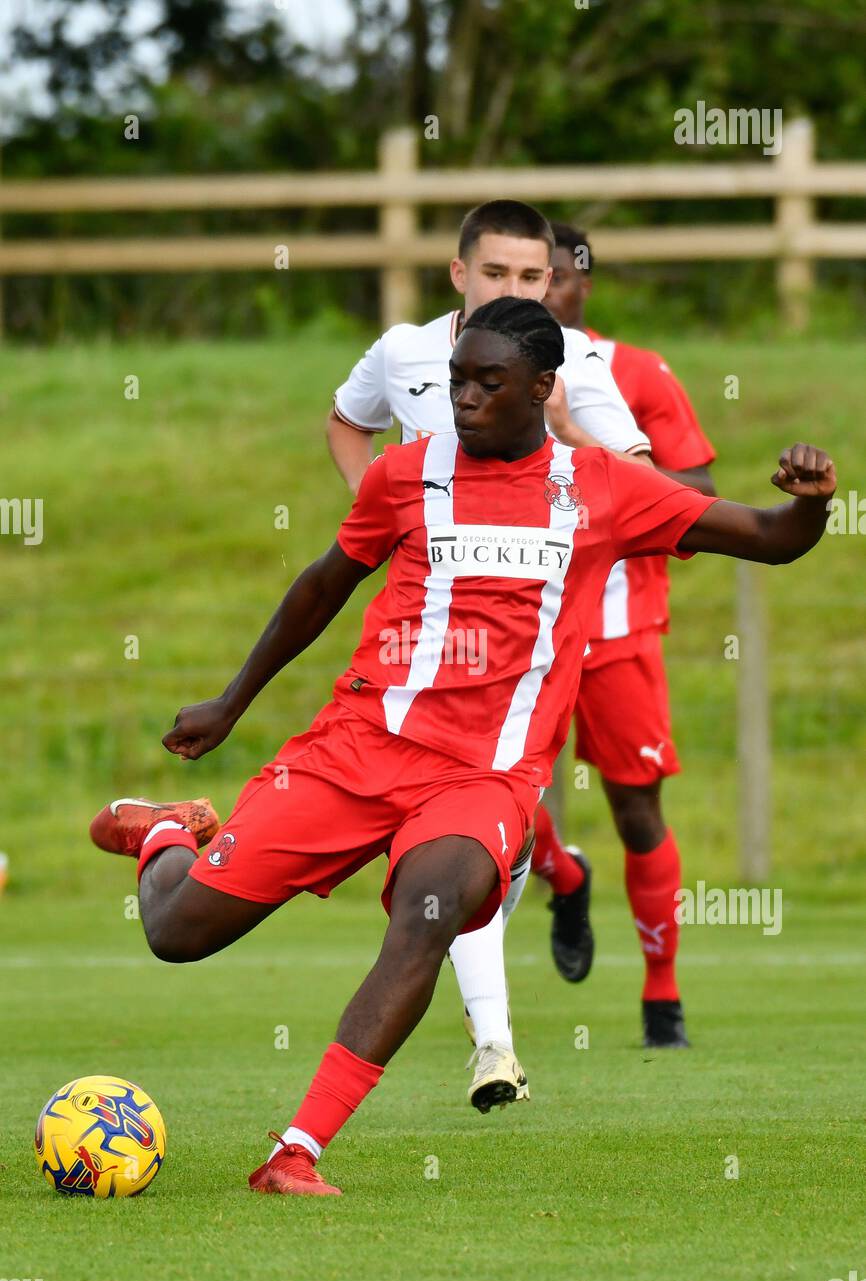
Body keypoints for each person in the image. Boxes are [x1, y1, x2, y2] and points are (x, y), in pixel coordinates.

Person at [91, 297, 835, 1197]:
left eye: (490, 382)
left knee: (431, 910)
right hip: (357, 747)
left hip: (484, 777)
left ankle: (295, 1154)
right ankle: (169, 832)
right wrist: (231, 701)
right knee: (174, 935)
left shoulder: (603, 488)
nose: (467, 398)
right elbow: (322, 586)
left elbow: (766, 537)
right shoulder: (403, 476)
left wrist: (812, 503)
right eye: (457, 381)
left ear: (543, 388)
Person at [328, 199, 652, 1105]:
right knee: (456, 837)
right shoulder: (402, 351)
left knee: (464, 834)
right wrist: (383, 518)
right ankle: (500, 1038)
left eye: (533, 277)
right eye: (498, 274)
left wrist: (559, 434)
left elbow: (637, 475)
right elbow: (347, 419)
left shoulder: (569, 361)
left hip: (528, 631)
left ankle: (508, 999)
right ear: (458, 276)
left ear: (554, 283)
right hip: (420, 628)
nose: (516, 289)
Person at [529, 223, 717, 1046]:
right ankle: (565, 876)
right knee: (498, 797)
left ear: (581, 287)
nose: (543, 292)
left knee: (636, 808)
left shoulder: (631, 371)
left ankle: (661, 997)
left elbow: (697, 489)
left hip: (617, 626)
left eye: (557, 278)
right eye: (527, 277)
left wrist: (582, 439)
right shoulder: (478, 368)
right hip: (517, 628)